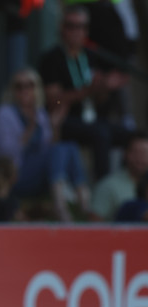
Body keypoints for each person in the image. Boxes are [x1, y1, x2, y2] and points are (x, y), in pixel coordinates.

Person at [37, 5, 133, 181]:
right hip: (65, 120)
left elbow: (98, 98)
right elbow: (54, 101)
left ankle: (129, 187)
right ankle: (102, 188)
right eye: (70, 26)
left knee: (133, 135)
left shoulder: (90, 56)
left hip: (92, 118)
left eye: (80, 27)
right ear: (61, 28)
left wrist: (105, 87)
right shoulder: (52, 58)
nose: (75, 31)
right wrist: (88, 90)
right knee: (101, 134)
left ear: (86, 30)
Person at [0, 68, 91, 222]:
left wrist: (54, 126)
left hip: (42, 176)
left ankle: (84, 204)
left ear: (36, 88)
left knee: (70, 146)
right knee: (60, 150)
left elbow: (50, 151)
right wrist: (30, 128)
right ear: (12, 90)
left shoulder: (40, 113)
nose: (24, 90)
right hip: (15, 176)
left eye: (29, 85)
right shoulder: (4, 113)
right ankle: (60, 205)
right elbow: (6, 154)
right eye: (19, 86)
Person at [90, 134, 148, 221]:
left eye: (145, 153)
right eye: (135, 152)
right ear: (125, 154)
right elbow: (93, 226)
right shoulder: (109, 185)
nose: (140, 158)